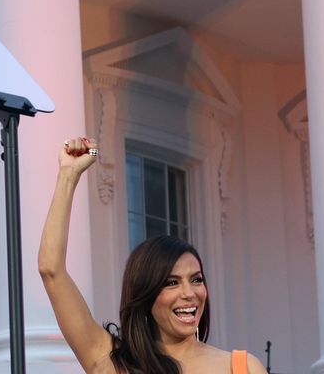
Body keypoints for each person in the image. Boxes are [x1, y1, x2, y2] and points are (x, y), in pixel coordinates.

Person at [38, 137, 268, 374]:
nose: (189, 293)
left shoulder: (243, 366)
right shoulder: (113, 363)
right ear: (145, 295)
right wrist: (69, 174)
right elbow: (51, 270)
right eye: (172, 282)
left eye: (196, 279)